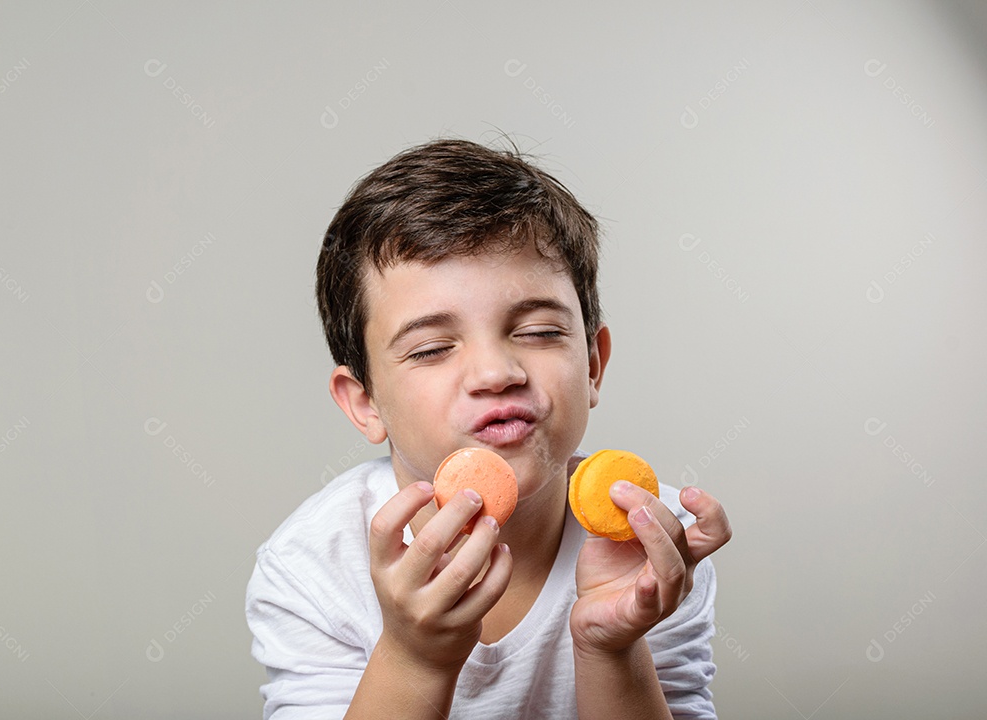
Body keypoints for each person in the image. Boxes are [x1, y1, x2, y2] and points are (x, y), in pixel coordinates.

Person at [246, 136, 733, 719]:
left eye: (537, 332)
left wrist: (611, 647)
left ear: (594, 365)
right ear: (365, 403)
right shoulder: (313, 565)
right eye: (431, 349)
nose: (496, 373)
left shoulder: (652, 541)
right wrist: (412, 657)